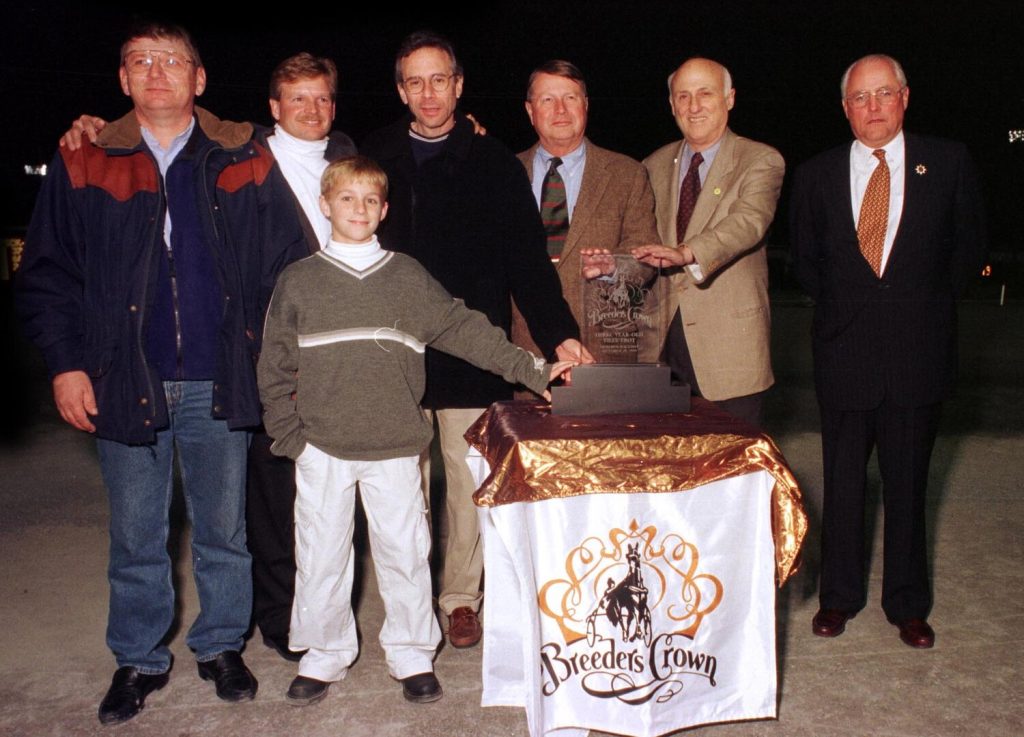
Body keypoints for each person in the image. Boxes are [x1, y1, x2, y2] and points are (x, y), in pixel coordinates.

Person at [16, 22, 306, 724]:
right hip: (123, 375)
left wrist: (274, 356)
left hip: (219, 375)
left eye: (172, 60)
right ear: (123, 79)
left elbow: (289, 264)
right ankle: (139, 658)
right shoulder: (86, 158)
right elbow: (48, 273)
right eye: (140, 61)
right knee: (137, 533)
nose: (156, 71)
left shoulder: (241, 155)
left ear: (198, 78)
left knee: (223, 529)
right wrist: (66, 365)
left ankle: (220, 645)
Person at [257, 155, 573, 706]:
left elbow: (465, 329)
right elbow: (274, 364)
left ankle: (411, 653)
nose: (359, 209)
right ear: (325, 205)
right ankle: (324, 653)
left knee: (405, 551)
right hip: (322, 446)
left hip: (396, 444)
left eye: (370, 200)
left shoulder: (405, 276)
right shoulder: (299, 281)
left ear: (384, 210)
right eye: (346, 198)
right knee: (321, 554)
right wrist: (291, 437)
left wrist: (534, 371)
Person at [359, 31, 582, 649]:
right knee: (401, 492)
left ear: (458, 86)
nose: (428, 93)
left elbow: (527, 265)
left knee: (468, 487)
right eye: (415, 82)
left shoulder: (495, 164)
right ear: (401, 90)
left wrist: (560, 336)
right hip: (392, 357)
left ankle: (461, 599)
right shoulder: (375, 157)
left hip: (470, 353)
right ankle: (409, 604)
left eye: (440, 80)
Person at [790, 54, 986, 648]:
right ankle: (838, 597)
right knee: (843, 486)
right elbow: (806, 263)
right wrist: (853, 309)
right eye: (859, 97)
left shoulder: (948, 162)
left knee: (908, 487)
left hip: (917, 356)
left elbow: (967, 251)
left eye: (882, 94)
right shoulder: (816, 174)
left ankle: (907, 604)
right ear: (845, 108)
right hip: (843, 356)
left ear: (904, 97)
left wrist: (918, 308)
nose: (872, 107)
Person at [247, 52, 356, 663]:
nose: (311, 110)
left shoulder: (349, 158)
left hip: (338, 355)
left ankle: (329, 611)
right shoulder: (244, 159)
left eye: (321, 98)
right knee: (272, 489)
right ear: (274, 107)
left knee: (329, 493)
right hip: (272, 351)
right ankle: (279, 614)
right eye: (297, 98)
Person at [633, 57, 784, 428]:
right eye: (683, 96)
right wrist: (612, 263)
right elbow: (636, 237)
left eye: (705, 94)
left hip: (730, 352)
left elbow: (748, 222)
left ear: (729, 98)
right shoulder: (651, 164)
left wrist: (687, 252)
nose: (693, 106)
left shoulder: (760, 159)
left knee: (732, 462)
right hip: (660, 350)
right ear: (672, 105)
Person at [512, 60, 658, 357]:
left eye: (570, 97)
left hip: (603, 351)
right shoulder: (504, 172)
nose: (560, 109)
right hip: (523, 353)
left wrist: (614, 266)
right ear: (530, 110)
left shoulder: (628, 174)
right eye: (547, 99)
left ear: (586, 105)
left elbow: (646, 257)